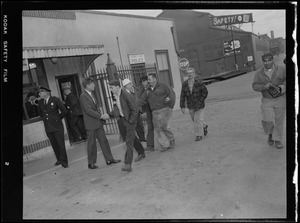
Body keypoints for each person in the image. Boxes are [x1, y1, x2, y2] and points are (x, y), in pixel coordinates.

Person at [79, 77, 121, 169]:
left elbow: (96, 108)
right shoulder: (83, 96)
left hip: (98, 123)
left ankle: (109, 159)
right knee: (92, 144)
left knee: (104, 141)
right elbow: (88, 110)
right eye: (92, 84)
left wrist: (101, 115)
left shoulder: (91, 94)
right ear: (87, 85)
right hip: (91, 125)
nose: (94, 85)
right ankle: (91, 163)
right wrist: (101, 116)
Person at [106, 79, 145, 172]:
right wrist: (109, 115)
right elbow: (117, 109)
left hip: (130, 121)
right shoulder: (115, 96)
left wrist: (131, 122)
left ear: (117, 86)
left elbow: (135, 110)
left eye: (111, 88)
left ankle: (128, 164)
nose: (110, 89)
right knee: (132, 138)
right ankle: (141, 152)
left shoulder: (126, 95)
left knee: (129, 142)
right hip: (123, 120)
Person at [252, 52, 286, 149]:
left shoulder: (282, 69)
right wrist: (263, 86)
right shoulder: (259, 73)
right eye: (265, 61)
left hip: (281, 98)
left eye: (269, 60)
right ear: (263, 62)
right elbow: (254, 86)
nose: (267, 63)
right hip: (267, 99)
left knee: (279, 120)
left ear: (272, 60)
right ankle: (270, 133)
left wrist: (283, 86)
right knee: (267, 119)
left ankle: (278, 140)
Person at [137, 72, 175, 152]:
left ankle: (171, 140)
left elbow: (171, 94)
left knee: (164, 127)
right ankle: (165, 145)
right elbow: (142, 100)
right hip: (155, 113)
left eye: (149, 79)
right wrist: (133, 104)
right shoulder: (147, 91)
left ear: (154, 79)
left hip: (164, 110)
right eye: (148, 79)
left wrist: (171, 106)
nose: (148, 81)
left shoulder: (163, 86)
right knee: (158, 129)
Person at [37, 85, 69, 168]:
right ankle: (59, 159)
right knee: (54, 145)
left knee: (61, 144)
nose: (39, 94)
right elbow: (40, 113)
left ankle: (64, 162)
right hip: (48, 127)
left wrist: (58, 119)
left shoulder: (55, 100)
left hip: (57, 127)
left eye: (41, 92)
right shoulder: (40, 102)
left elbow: (64, 111)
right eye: (39, 93)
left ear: (46, 92)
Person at [180, 67, 208, 141]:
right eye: (188, 73)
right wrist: (182, 106)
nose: (190, 75)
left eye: (191, 73)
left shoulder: (199, 83)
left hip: (199, 105)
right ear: (187, 74)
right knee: (195, 120)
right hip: (191, 105)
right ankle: (204, 126)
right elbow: (182, 95)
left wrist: (201, 101)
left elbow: (205, 92)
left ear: (194, 74)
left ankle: (198, 135)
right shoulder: (185, 84)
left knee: (197, 120)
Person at [122, 78, 147, 142]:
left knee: (140, 125)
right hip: (131, 113)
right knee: (133, 127)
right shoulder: (124, 95)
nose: (131, 85)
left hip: (136, 112)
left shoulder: (132, 93)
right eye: (129, 84)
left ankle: (142, 137)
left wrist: (141, 111)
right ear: (126, 86)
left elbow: (136, 103)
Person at [137, 75, 155, 151]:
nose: (143, 83)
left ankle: (167, 141)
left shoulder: (152, 88)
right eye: (142, 82)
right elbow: (141, 101)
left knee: (160, 127)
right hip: (148, 111)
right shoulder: (142, 91)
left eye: (144, 81)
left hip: (155, 109)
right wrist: (142, 111)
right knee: (150, 127)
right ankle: (150, 145)